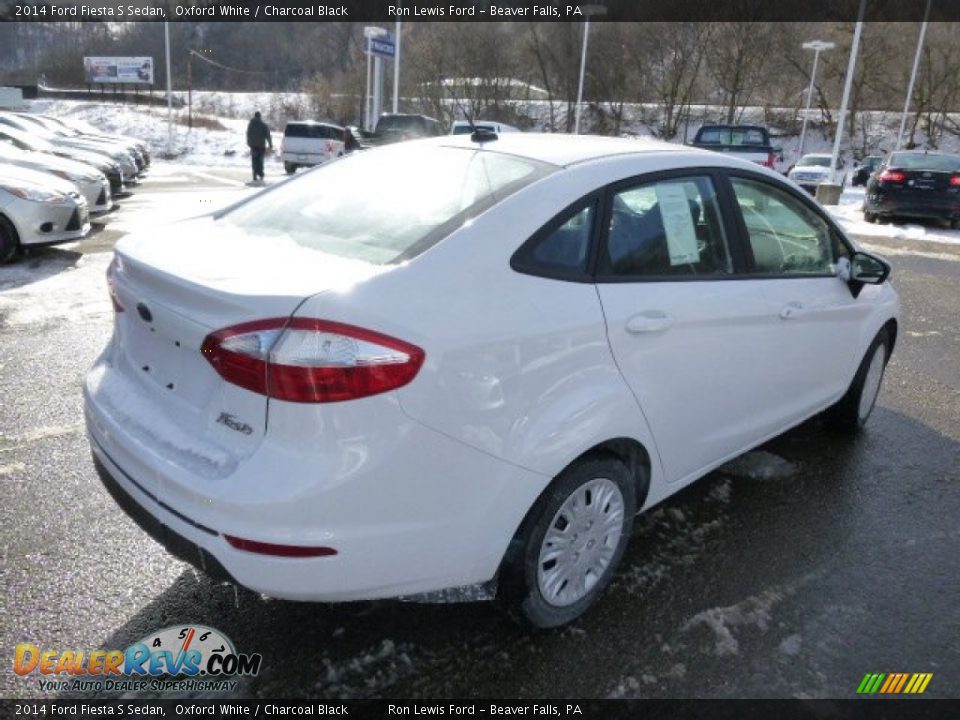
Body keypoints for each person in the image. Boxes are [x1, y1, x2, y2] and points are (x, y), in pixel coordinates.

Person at [246, 111, 272, 184]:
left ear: (254, 116)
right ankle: (260, 174)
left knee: (254, 160)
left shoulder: (251, 124)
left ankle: (254, 175)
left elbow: (248, 134)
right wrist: (270, 144)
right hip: (261, 146)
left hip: (253, 146)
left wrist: (249, 142)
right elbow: (268, 135)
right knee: (260, 161)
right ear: (260, 117)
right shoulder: (263, 125)